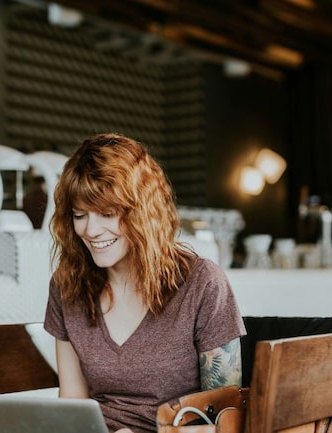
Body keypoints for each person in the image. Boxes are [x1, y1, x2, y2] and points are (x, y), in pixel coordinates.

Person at [43, 133, 246, 433]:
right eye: (79, 215)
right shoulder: (67, 286)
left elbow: (228, 422)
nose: (91, 230)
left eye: (107, 213)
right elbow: (73, 405)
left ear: (142, 212)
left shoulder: (202, 284)